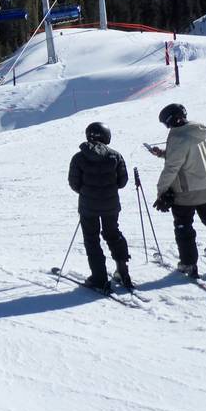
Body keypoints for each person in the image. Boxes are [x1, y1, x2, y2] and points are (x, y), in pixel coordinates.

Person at [151, 103, 206, 277]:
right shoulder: (198, 130)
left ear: (171, 120)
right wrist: (163, 153)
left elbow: (172, 168)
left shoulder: (178, 137)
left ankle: (188, 264)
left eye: (166, 123)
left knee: (184, 227)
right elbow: (191, 154)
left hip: (186, 192)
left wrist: (161, 191)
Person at [67, 122, 132, 290]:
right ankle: (122, 271)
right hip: (111, 205)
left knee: (92, 240)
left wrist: (86, 192)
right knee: (113, 234)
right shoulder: (115, 156)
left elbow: (74, 183)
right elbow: (122, 181)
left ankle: (99, 278)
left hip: (88, 206)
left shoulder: (79, 158)